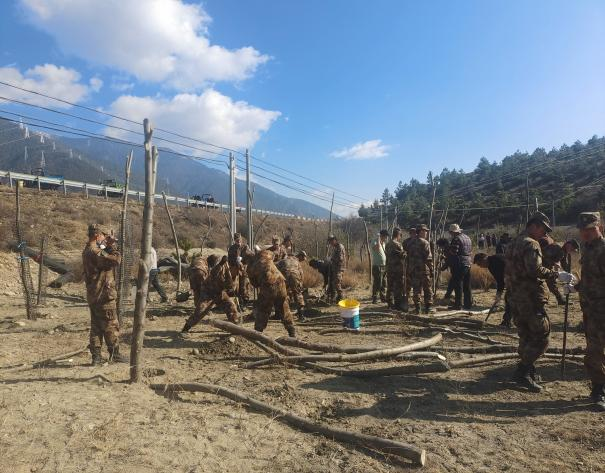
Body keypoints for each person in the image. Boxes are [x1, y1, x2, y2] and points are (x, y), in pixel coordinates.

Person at [504, 211, 573, 392]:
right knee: (542, 336)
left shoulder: (513, 243)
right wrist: (556, 274)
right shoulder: (531, 243)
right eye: (543, 229)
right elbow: (535, 269)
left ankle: (528, 370)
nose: (544, 233)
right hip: (530, 297)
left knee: (525, 334)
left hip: (514, 296)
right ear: (534, 226)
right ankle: (523, 372)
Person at [565, 212, 605, 411]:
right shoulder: (587, 249)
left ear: (600, 228)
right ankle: (599, 389)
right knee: (594, 350)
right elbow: (591, 278)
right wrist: (576, 286)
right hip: (590, 310)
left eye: (591, 229)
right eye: (583, 230)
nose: (586, 233)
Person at [82, 224, 127, 365]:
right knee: (110, 325)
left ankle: (96, 357)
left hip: (93, 295)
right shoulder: (95, 252)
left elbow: (101, 251)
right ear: (97, 235)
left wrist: (105, 244)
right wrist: (112, 246)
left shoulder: (88, 249)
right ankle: (115, 354)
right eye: (103, 235)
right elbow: (115, 260)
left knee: (96, 327)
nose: (104, 238)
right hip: (104, 295)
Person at [244, 248, 296, 337]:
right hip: (281, 282)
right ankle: (291, 331)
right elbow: (274, 255)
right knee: (284, 307)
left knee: (263, 308)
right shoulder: (265, 253)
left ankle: (258, 332)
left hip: (269, 285)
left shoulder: (251, 267)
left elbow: (255, 284)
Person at [474, 252, 511, 327]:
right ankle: (507, 321)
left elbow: (510, 270)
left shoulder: (497, 260)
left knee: (509, 299)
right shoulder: (490, 266)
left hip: (520, 278)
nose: (480, 266)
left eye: (479, 264)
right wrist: (498, 294)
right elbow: (500, 280)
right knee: (509, 299)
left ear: (484, 259)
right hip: (513, 280)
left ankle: (507, 322)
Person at [406, 224, 433, 314]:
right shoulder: (425, 242)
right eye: (425, 231)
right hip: (424, 270)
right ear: (421, 231)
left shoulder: (409, 243)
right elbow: (429, 258)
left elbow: (407, 257)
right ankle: (428, 309)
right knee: (427, 289)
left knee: (416, 289)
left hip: (413, 270)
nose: (426, 233)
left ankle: (418, 309)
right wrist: (431, 269)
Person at [276, 251, 308, 321]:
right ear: (299, 256)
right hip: (295, 276)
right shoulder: (296, 261)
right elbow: (301, 273)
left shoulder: (282, 261)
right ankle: (301, 316)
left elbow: (276, 270)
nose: (302, 260)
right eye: (302, 259)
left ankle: (278, 315)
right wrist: (300, 284)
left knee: (282, 294)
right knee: (298, 294)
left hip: (284, 275)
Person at [447, 223, 473, 310]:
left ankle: (458, 305)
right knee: (467, 284)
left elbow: (454, 252)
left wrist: (448, 249)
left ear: (452, 232)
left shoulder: (456, 239)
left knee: (458, 284)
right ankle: (468, 304)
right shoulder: (467, 237)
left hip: (459, 264)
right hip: (468, 262)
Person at [385, 227, 406, 311]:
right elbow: (402, 255)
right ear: (398, 235)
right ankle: (397, 305)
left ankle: (390, 303)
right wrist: (405, 253)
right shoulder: (398, 244)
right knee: (398, 287)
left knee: (390, 286)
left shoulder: (387, 244)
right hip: (397, 269)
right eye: (400, 235)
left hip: (389, 268)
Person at [227, 232, 250, 304]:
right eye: (237, 240)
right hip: (234, 269)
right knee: (234, 286)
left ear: (241, 239)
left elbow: (248, 256)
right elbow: (229, 259)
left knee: (244, 284)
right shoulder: (231, 248)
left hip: (244, 269)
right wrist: (235, 260)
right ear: (234, 240)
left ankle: (245, 299)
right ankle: (236, 300)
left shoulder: (245, 247)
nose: (238, 241)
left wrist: (242, 261)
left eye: (239, 239)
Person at [326, 234, 346, 303]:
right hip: (335, 267)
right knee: (334, 282)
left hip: (339, 268)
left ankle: (341, 297)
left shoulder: (339, 247)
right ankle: (336, 297)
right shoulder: (335, 247)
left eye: (331, 241)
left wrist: (331, 259)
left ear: (335, 240)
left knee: (336, 283)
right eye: (329, 242)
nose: (330, 243)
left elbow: (340, 258)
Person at [370, 229, 388, 304]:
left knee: (384, 283)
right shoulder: (374, 241)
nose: (386, 238)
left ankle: (383, 297)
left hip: (384, 266)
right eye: (385, 236)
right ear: (381, 236)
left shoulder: (383, 243)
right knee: (377, 283)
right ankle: (375, 298)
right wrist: (378, 239)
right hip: (377, 266)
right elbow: (376, 248)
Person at [402, 226, 417, 309]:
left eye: (414, 233)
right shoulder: (406, 242)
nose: (413, 234)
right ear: (410, 234)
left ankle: (416, 301)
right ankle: (406, 299)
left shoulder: (419, 241)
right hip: (408, 265)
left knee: (416, 285)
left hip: (417, 266)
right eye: (412, 233)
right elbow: (403, 252)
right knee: (407, 283)